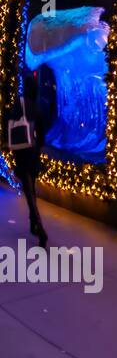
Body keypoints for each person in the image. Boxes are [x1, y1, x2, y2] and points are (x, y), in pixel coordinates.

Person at [5, 72, 51, 248]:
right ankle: (33, 223)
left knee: (29, 192)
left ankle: (40, 229)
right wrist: (38, 146)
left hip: (23, 153)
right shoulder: (37, 108)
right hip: (34, 153)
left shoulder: (20, 103)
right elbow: (41, 135)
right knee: (32, 189)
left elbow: (10, 121)